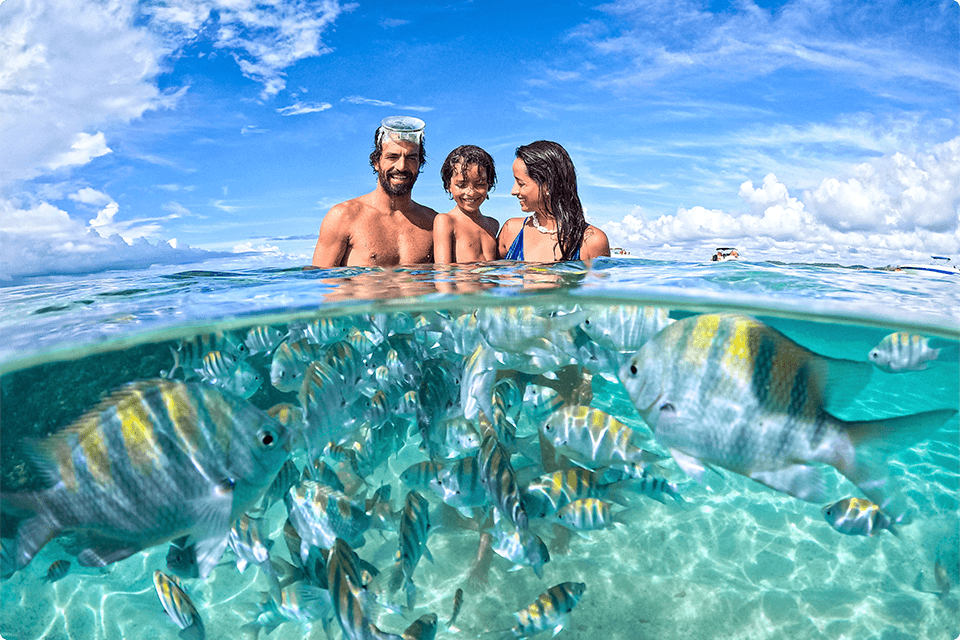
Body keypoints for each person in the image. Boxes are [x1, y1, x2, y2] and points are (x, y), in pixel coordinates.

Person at [311, 117, 438, 267]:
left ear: (420, 164)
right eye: (392, 157)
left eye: (411, 158)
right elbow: (320, 277)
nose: (401, 166)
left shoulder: (432, 223)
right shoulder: (344, 216)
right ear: (376, 162)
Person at [498, 140, 610, 262]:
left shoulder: (592, 241)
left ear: (547, 186)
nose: (513, 191)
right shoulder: (511, 231)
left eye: (521, 183)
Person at [433, 145, 500, 264]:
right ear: (448, 185)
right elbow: (443, 271)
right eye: (462, 185)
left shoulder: (493, 225)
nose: (471, 192)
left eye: (480, 184)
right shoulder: (446, 221)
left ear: (489, 185)